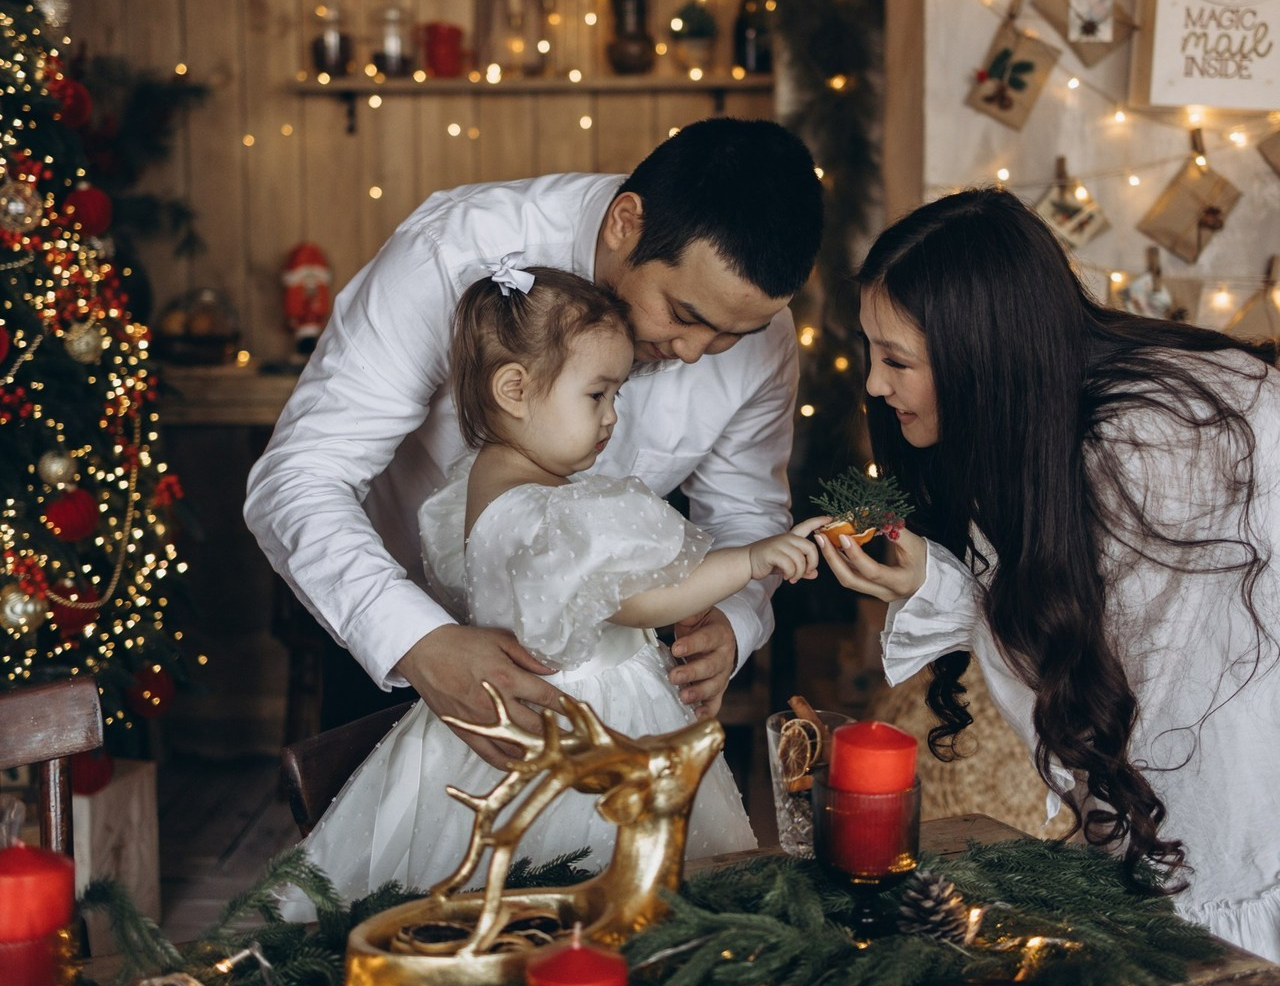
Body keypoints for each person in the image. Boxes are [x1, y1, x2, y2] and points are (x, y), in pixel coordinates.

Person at [245, 118, 824, 766]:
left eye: (729, 337)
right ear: (624, 223)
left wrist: (734, 623)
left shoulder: (763, 337)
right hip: (395, 633)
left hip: (604, 689)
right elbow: (299, 476)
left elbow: (746, 514)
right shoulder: (455, 250)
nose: (694, 353)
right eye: (685, 315)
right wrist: (419, 641)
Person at [816, 188, 1279, 962]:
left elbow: (1109, 694)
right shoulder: (1058, 416)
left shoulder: (1143, 453)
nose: (872, 384)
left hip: (1239, 830)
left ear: (982, 356)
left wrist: (950, 593)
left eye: (896, 360)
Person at [281, 266, 825, 912]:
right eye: (597, 396)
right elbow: (641, 599)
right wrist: (752, 561)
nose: (612, 418)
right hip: (581, 733)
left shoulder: (476, 485)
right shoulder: (546, 513)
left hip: (519, 715)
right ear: (515, 389)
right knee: (606, 899)